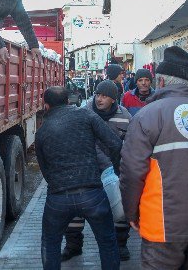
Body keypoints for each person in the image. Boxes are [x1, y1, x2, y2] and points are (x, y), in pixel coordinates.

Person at [120, 46, 188, 269]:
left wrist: (130, 212)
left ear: (159, 82)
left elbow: (132, 171)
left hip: (162, 224)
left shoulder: (146, 117)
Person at [36, 86, 123, 270]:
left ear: (46, 106)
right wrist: (116, 172)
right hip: (92, 193)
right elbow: (115, 144)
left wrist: (58, 184)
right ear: (69, 101)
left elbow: (45, 169)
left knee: (50, 243)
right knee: (107, 242)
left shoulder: (42, 132)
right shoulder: (86, 116)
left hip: (58, 198)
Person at [61, 80, 132, 262]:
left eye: (105, 96)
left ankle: (121, 245)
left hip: (114, 170)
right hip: (84, 170)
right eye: (98, 94)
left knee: (119, 206)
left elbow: (129, 144)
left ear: (113, 99)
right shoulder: (83, 112)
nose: (100, 99)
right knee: (75, 208)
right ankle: (73, 245)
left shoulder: (125, 116)